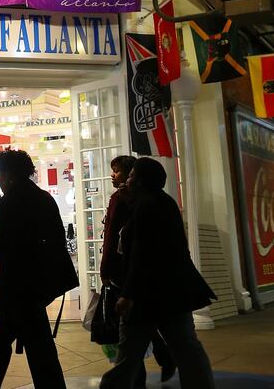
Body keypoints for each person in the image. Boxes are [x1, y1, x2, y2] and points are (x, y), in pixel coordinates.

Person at [100, 158, 216, 389]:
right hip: (173, 292)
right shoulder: (164, 203)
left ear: (140, 181)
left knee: (129, 352)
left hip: (148, 295)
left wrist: (128, 294)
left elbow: (142, 255)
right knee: (186, 346)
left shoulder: (145, 208)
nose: (127, 180)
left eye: (131, 176)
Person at [0, 149, 79, 389]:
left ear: (8, 174)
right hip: (39, 285)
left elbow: (13, 247)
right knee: (37, 345)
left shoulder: (9, 202)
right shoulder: (44, 198)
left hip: (18, 287)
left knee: (5, 340)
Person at [100, 156, 176, 386]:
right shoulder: (153, 201)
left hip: (124, 273)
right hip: (138, 274)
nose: (113, 175)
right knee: (140, 324)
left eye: (119, 171)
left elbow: (114, 236)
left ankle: (133, 377)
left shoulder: (122, 199)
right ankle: (159, 359)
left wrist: (105, 268)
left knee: (131, 326)